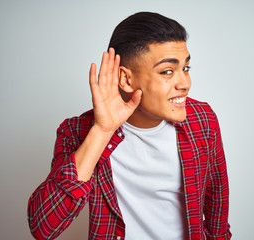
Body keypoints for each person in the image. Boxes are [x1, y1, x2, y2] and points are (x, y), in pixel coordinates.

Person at [28, 12, 231, 240]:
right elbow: (44, 227)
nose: (185, 84)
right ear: (125, 80)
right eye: (167, 72)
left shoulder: (202, 121)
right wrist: (102, 131)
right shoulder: (77, 132)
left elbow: (217, 213)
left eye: (186, 68)